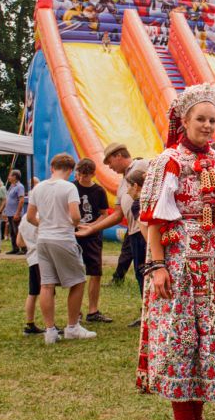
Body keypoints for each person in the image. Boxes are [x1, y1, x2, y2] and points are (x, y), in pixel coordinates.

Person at [137, 84, 215, 420]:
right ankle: (184, 418)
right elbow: (152, 218)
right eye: (200, 119)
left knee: (207, 337)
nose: (207, 125)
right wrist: (156, 266)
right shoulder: (167, 161)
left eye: (212, 120)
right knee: (184, 336)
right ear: (184, 121)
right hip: (182, 259)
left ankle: (198, 414)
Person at [26, 153, 96, 345]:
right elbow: (75, 215)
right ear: (71, 170)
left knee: (46, 285)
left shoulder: (38, 188)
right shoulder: (69, 187)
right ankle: (72, 326)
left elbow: (30, 217)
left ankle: (50, 331)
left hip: (43, 239)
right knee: (78, 280)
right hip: (63, 238)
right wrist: (73, 223)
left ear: (52, 167)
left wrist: (46, 223)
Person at [71, 158, 112, 323]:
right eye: (80, 175)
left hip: (93, 236)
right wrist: (76, 225)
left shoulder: (99, 191)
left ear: (93, 175)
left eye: (86, 176)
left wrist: (92, 227)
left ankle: (93, 311)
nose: (82, 179)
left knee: (95, 272)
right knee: (76, 272)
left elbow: (104, 213)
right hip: (74, 235)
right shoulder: (71, 187)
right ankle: (76, 311)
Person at [100, 143, 137, 285]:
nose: (109, 166)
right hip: (133, 227)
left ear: (119, 156)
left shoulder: (140, 165)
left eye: (110, 162)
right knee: (127, 253)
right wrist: (93, 227)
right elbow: (117, 214)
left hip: (145, 226)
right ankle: (118, 278)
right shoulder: (123, 181)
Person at [17, 212, 47, 335]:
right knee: (47, 291)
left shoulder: (25, 217)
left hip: (32, 258)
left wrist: (31, 245)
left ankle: (30, 324)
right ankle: (50, 324)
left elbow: (19, 242)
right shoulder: (42, 216)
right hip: (42, 257)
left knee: (33, 292)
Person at [124, 164, 148, 296]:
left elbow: (145, 232)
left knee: (142, 274)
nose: (127, 191)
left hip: (141, 242)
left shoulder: (137, 205)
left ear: (135, 186)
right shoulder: (151, 201)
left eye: (128, 187)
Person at [4, 170, 26, 254]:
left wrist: (18, 213)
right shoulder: (11, 186)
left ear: (15, 177)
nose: (8, 177)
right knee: (12, 232)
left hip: (15, 213)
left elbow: (21, 200)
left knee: (18, 231)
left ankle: (23, 248)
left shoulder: (20, 186)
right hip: (10, 213)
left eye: (10, 176)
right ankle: (15, 248)